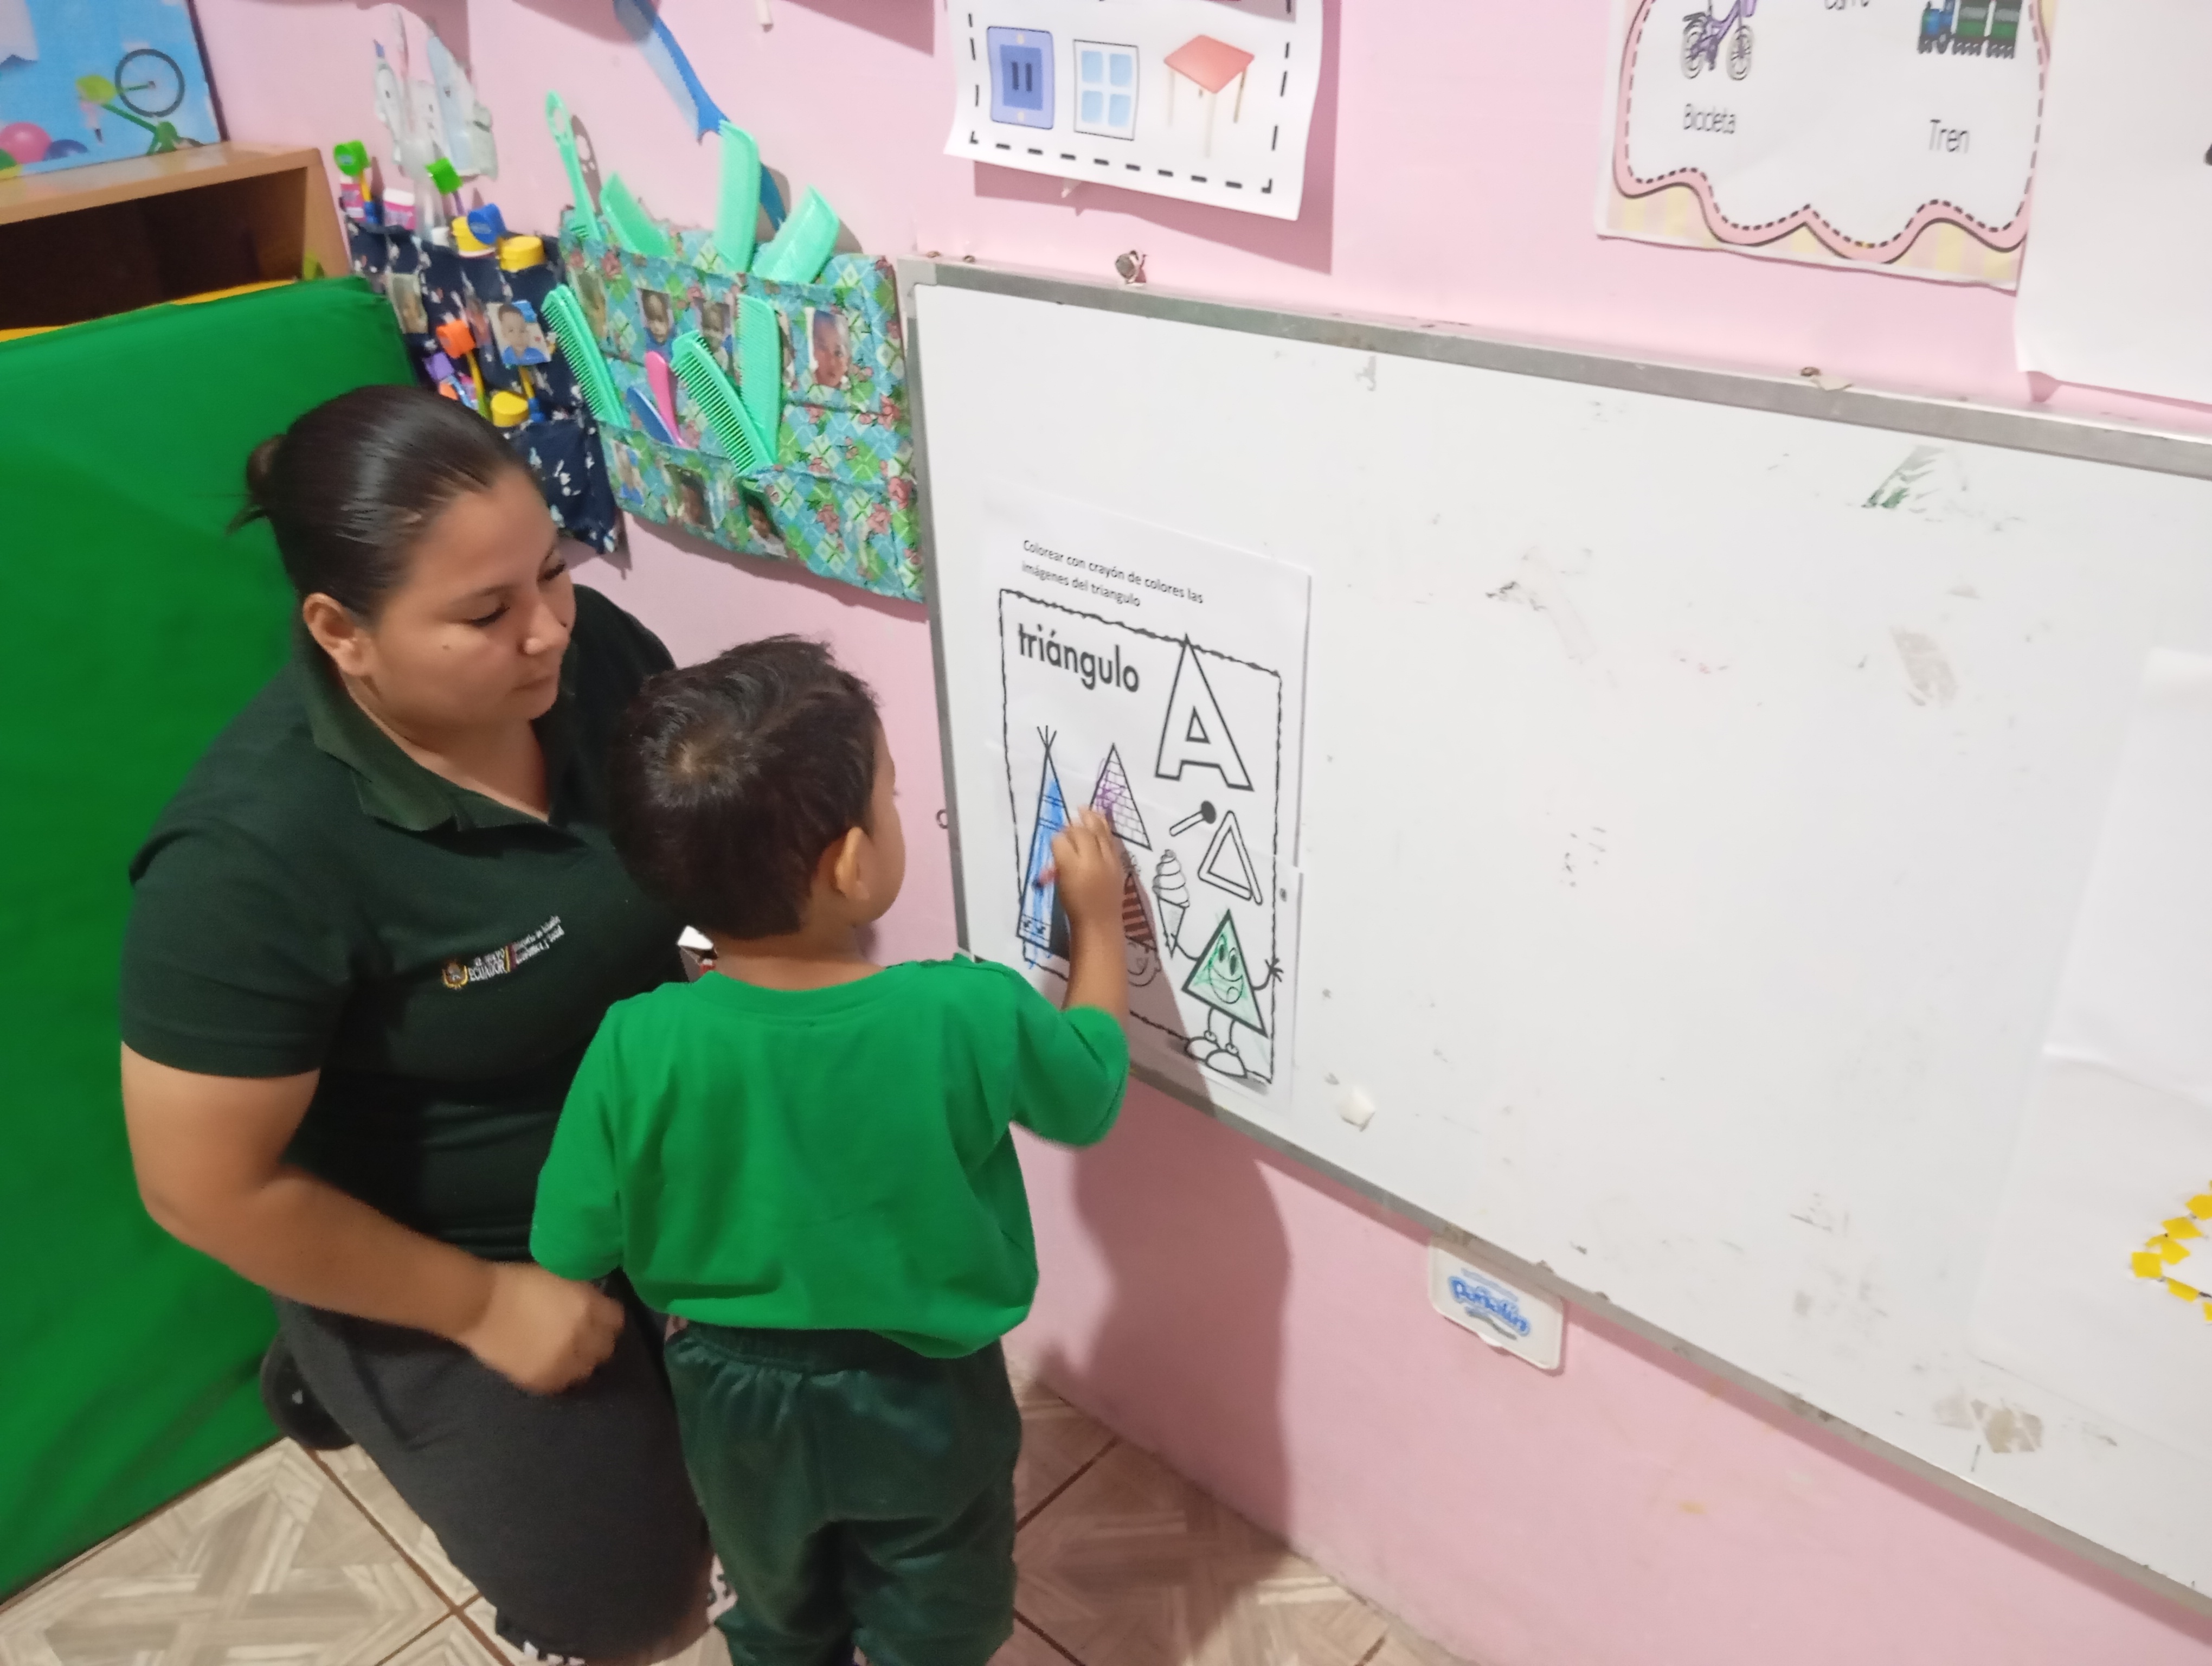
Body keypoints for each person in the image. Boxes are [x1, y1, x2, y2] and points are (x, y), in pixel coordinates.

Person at [118, 386, 712, 1665]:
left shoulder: (599, 657)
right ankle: (343, 1352)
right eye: (485, 615)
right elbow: (198, 1186)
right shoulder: (247, 862)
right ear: (342, 631)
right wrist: (483, 1305)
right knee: (636, 1609)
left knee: (796, 1434)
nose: (548, 631)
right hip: (457, 1241)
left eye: (553, 571)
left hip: (645, 1154)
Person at [531, 638, 1130, 1666]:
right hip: (923, 1392)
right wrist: (1098, 927)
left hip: (728, 1394)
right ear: (853, 864)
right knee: (938, 1604)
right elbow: (1086, 1096)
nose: (900, 812)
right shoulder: (964, 1010)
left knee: (773, 1601)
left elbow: (570, 1242)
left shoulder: (637, 1039)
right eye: (891, 797)